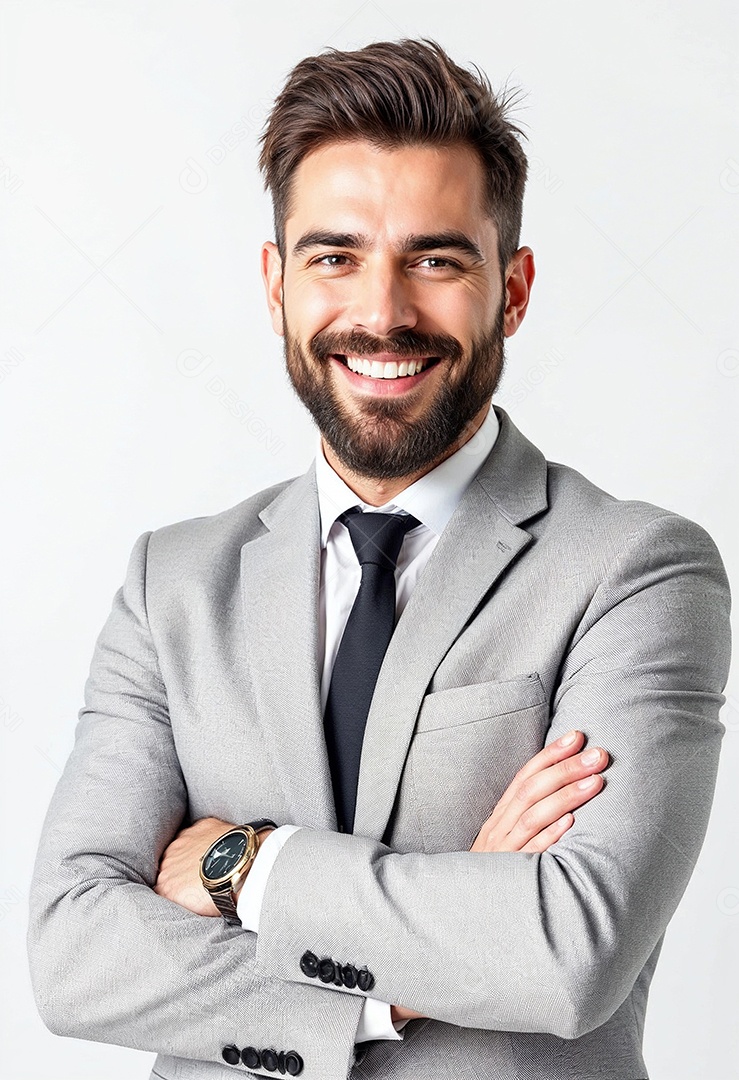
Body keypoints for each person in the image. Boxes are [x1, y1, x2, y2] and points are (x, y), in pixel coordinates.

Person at [28, 38, 731, 1080]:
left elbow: (568, 951)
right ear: (275, 285)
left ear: (515, 288)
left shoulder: (636, 571)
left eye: (436, 259)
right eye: (334, 256)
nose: (382, 312)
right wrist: (399, 982)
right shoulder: (168, 586)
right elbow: (73, 954)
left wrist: (243, 865)